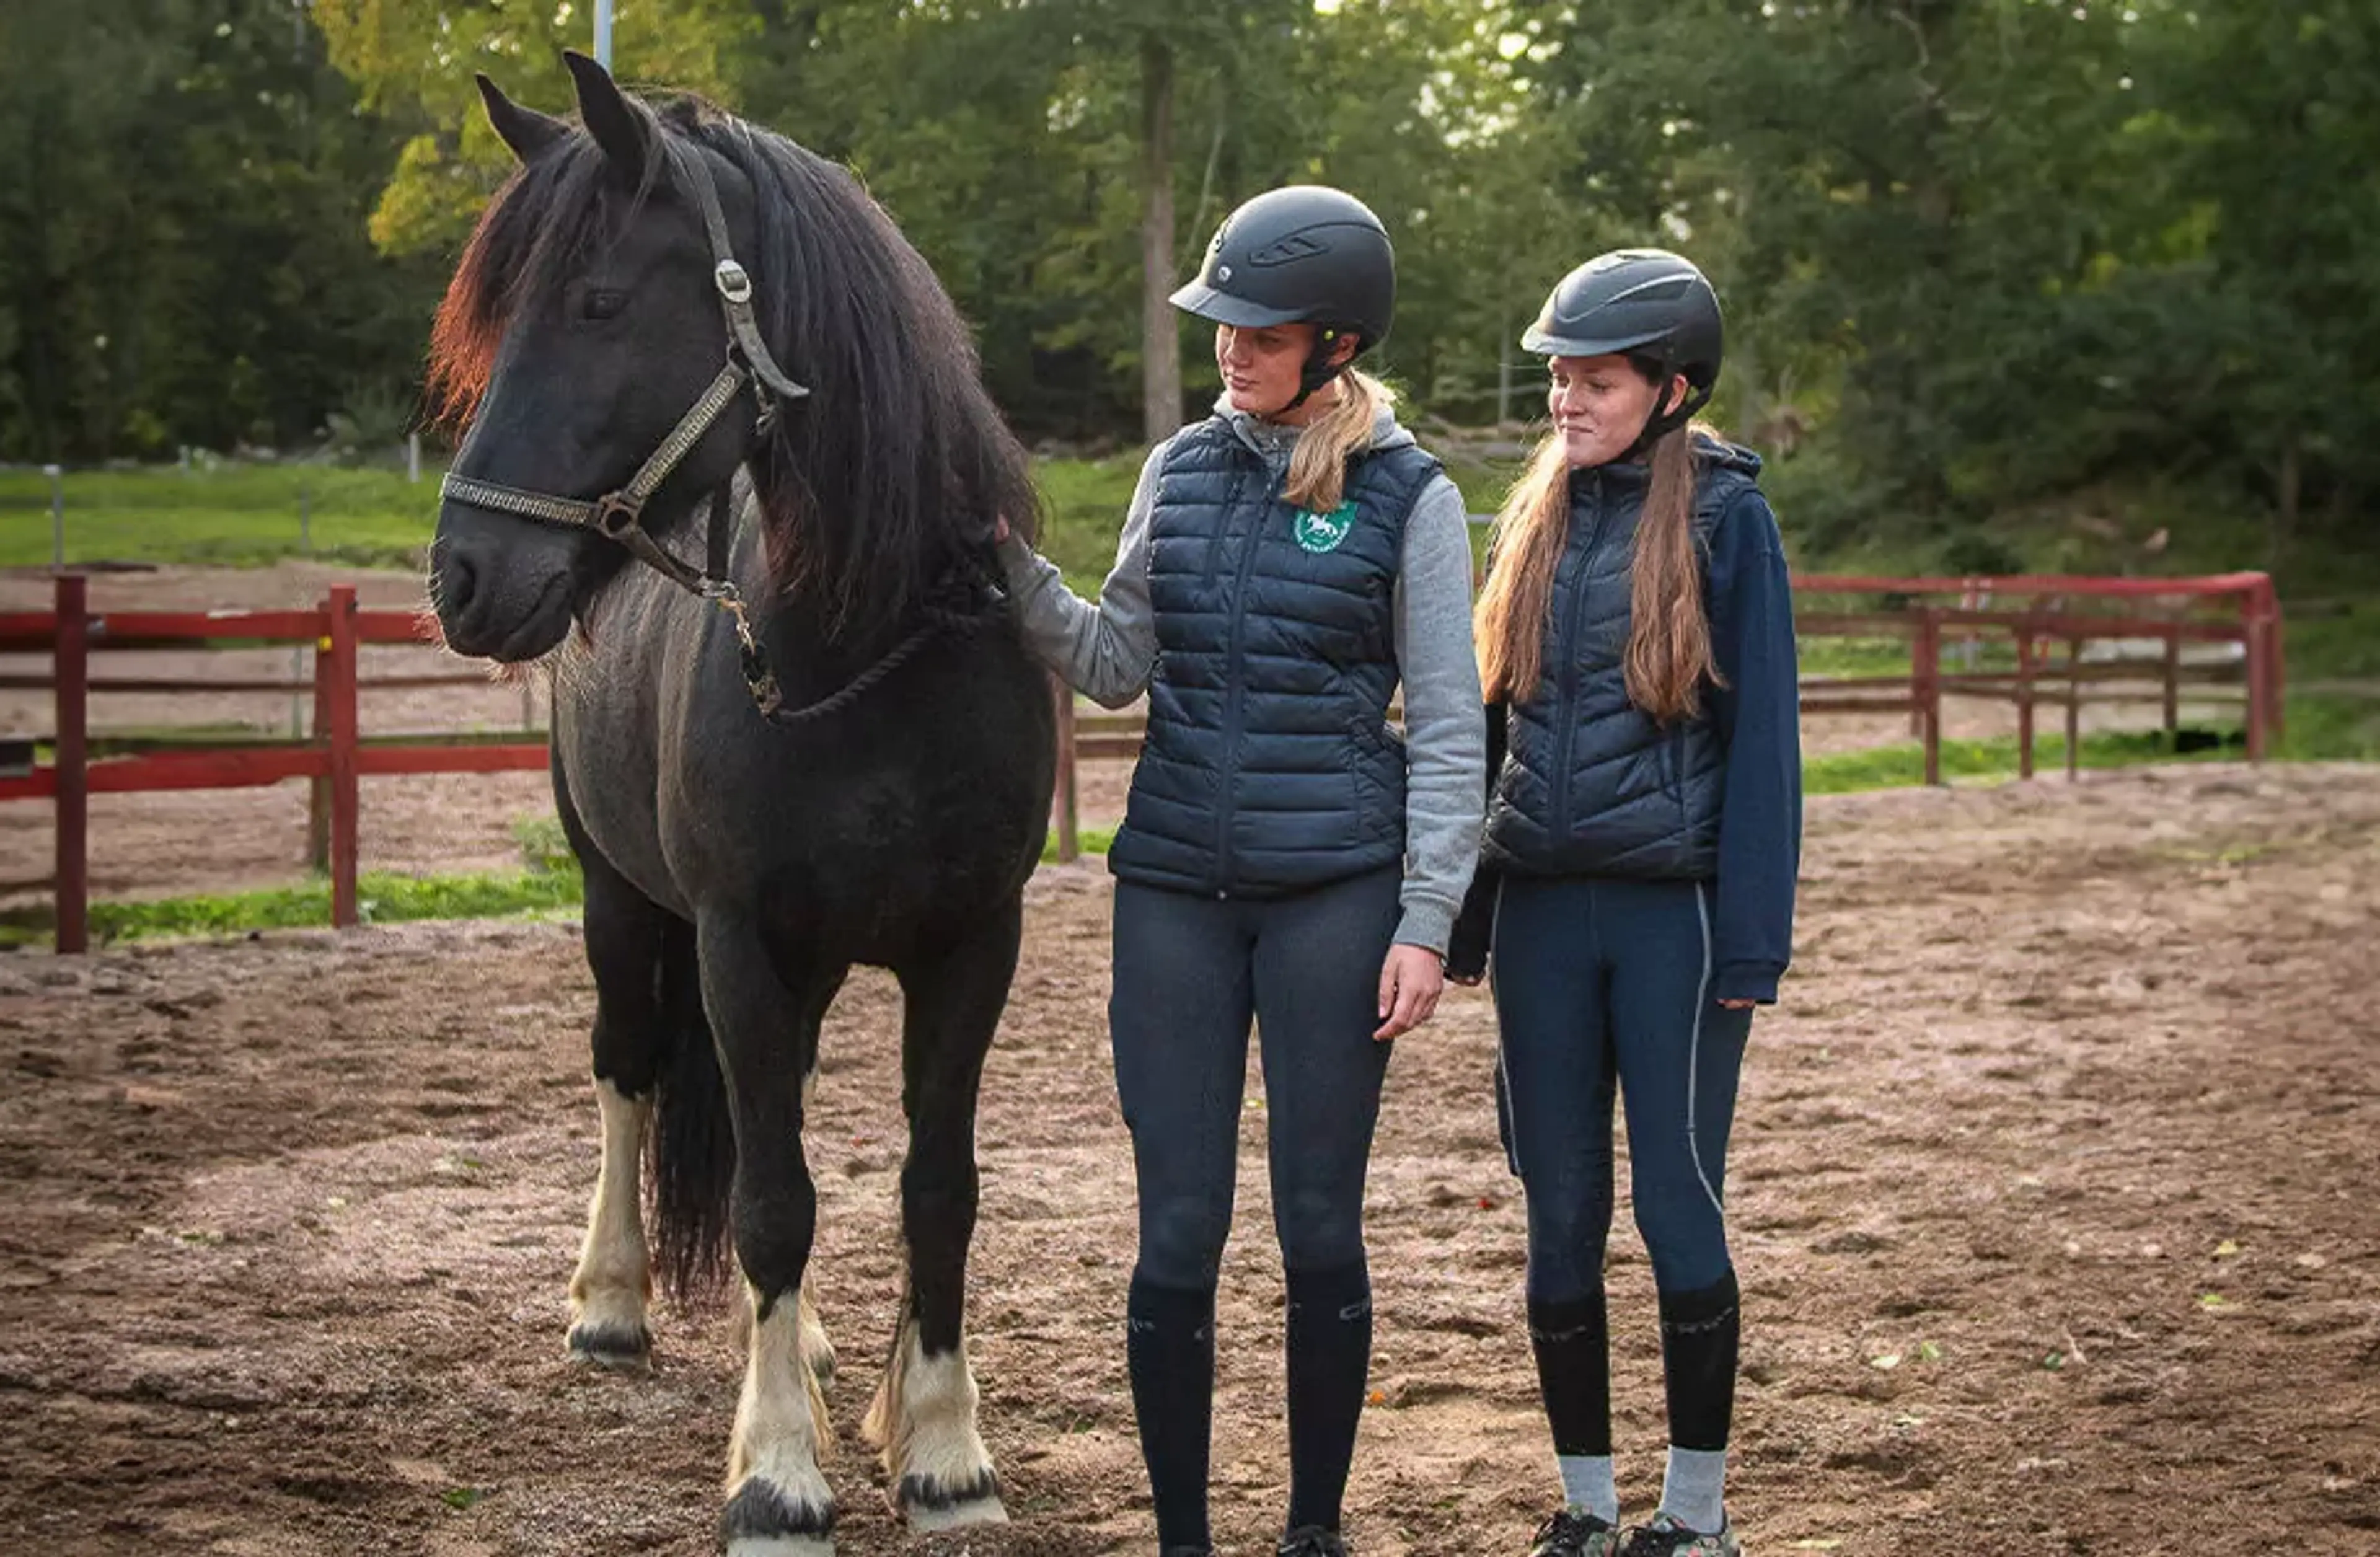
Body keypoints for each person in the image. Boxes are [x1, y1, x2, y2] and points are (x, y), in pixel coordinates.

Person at [996, 185, 1486, 1557]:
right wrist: (1007, 563)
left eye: (1256, 331)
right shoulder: (1179, 468)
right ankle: (1184, 1540)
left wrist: (1429, 919)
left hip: (1338, 893)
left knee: (1319, 1222)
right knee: (1176, 1234)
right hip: (1171, 897)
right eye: (1218, 326)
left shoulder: (1412, 494)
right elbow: (1112, 664)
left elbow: (1450, 728)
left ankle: (1313, 1528)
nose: (1229, 349)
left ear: (1334, 341)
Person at [1444, 250, 1801, 1557]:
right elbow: (1491, 731)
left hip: (1676, 918)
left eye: (1593, 380)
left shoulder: (1724, 520)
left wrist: (1755, 939)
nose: (1565, 400)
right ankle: (1588, 1505)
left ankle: (1695, 1516)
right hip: (1543, 913)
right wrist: (1464, 917)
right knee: (1559, 1213)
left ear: (1670, 388)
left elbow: (1766, 740)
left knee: (1676, 1201)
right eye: (1557, 377)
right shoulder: (1534, 518)